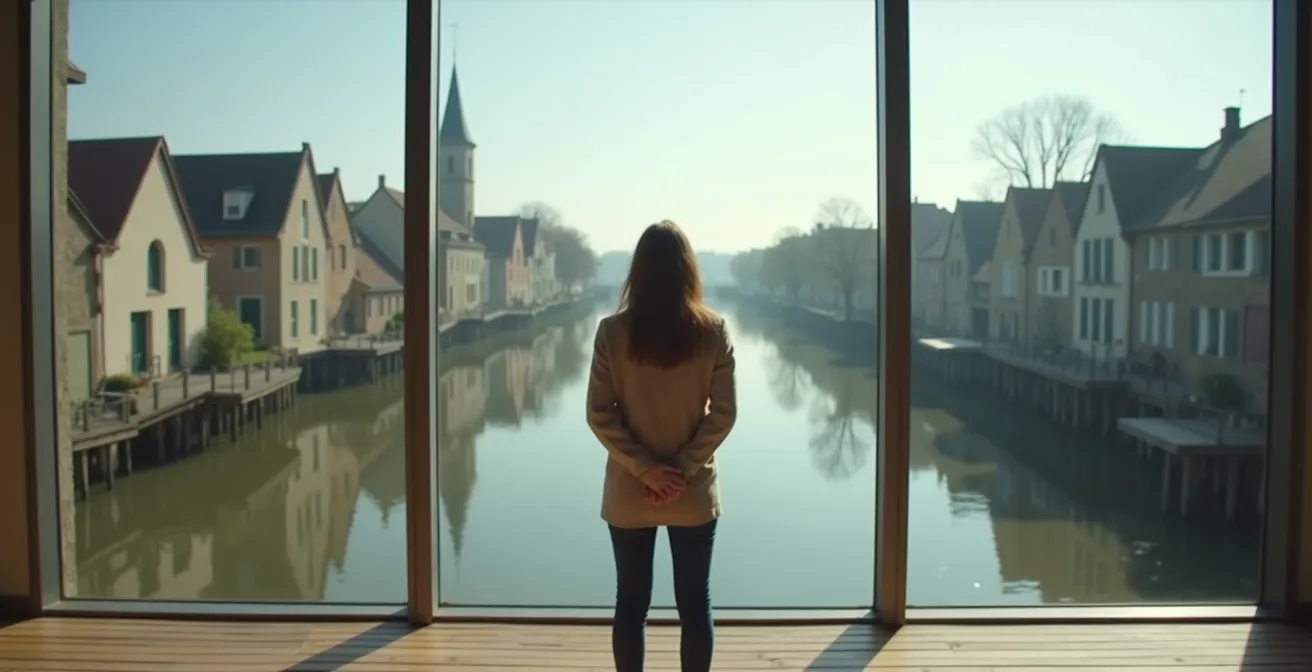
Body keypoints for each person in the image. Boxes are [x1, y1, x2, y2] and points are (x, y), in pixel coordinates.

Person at [586, 220, 737, 672]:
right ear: (688, 270)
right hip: (691, 496)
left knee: (630, 605)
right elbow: (723, 414)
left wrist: (645, 469)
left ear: (637, 271)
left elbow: (600, 414)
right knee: (695, 604)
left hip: (631, 493)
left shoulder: (611, 332)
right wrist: (682, 470)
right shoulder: (714, 331)